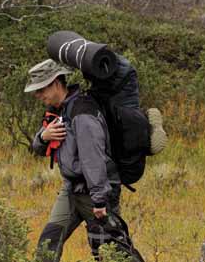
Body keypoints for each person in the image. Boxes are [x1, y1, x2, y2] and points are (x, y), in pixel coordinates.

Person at [26, 59, 141, 262]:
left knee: (112, 252)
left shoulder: (82, 112)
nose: (38, 95)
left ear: (55, 83)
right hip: (71, 190)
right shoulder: (60, 110)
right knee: (48, 244)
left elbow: (93, 159)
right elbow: (38, 147)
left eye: (41, 89)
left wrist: (99, 199)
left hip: (95, 193)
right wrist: (44, 136)